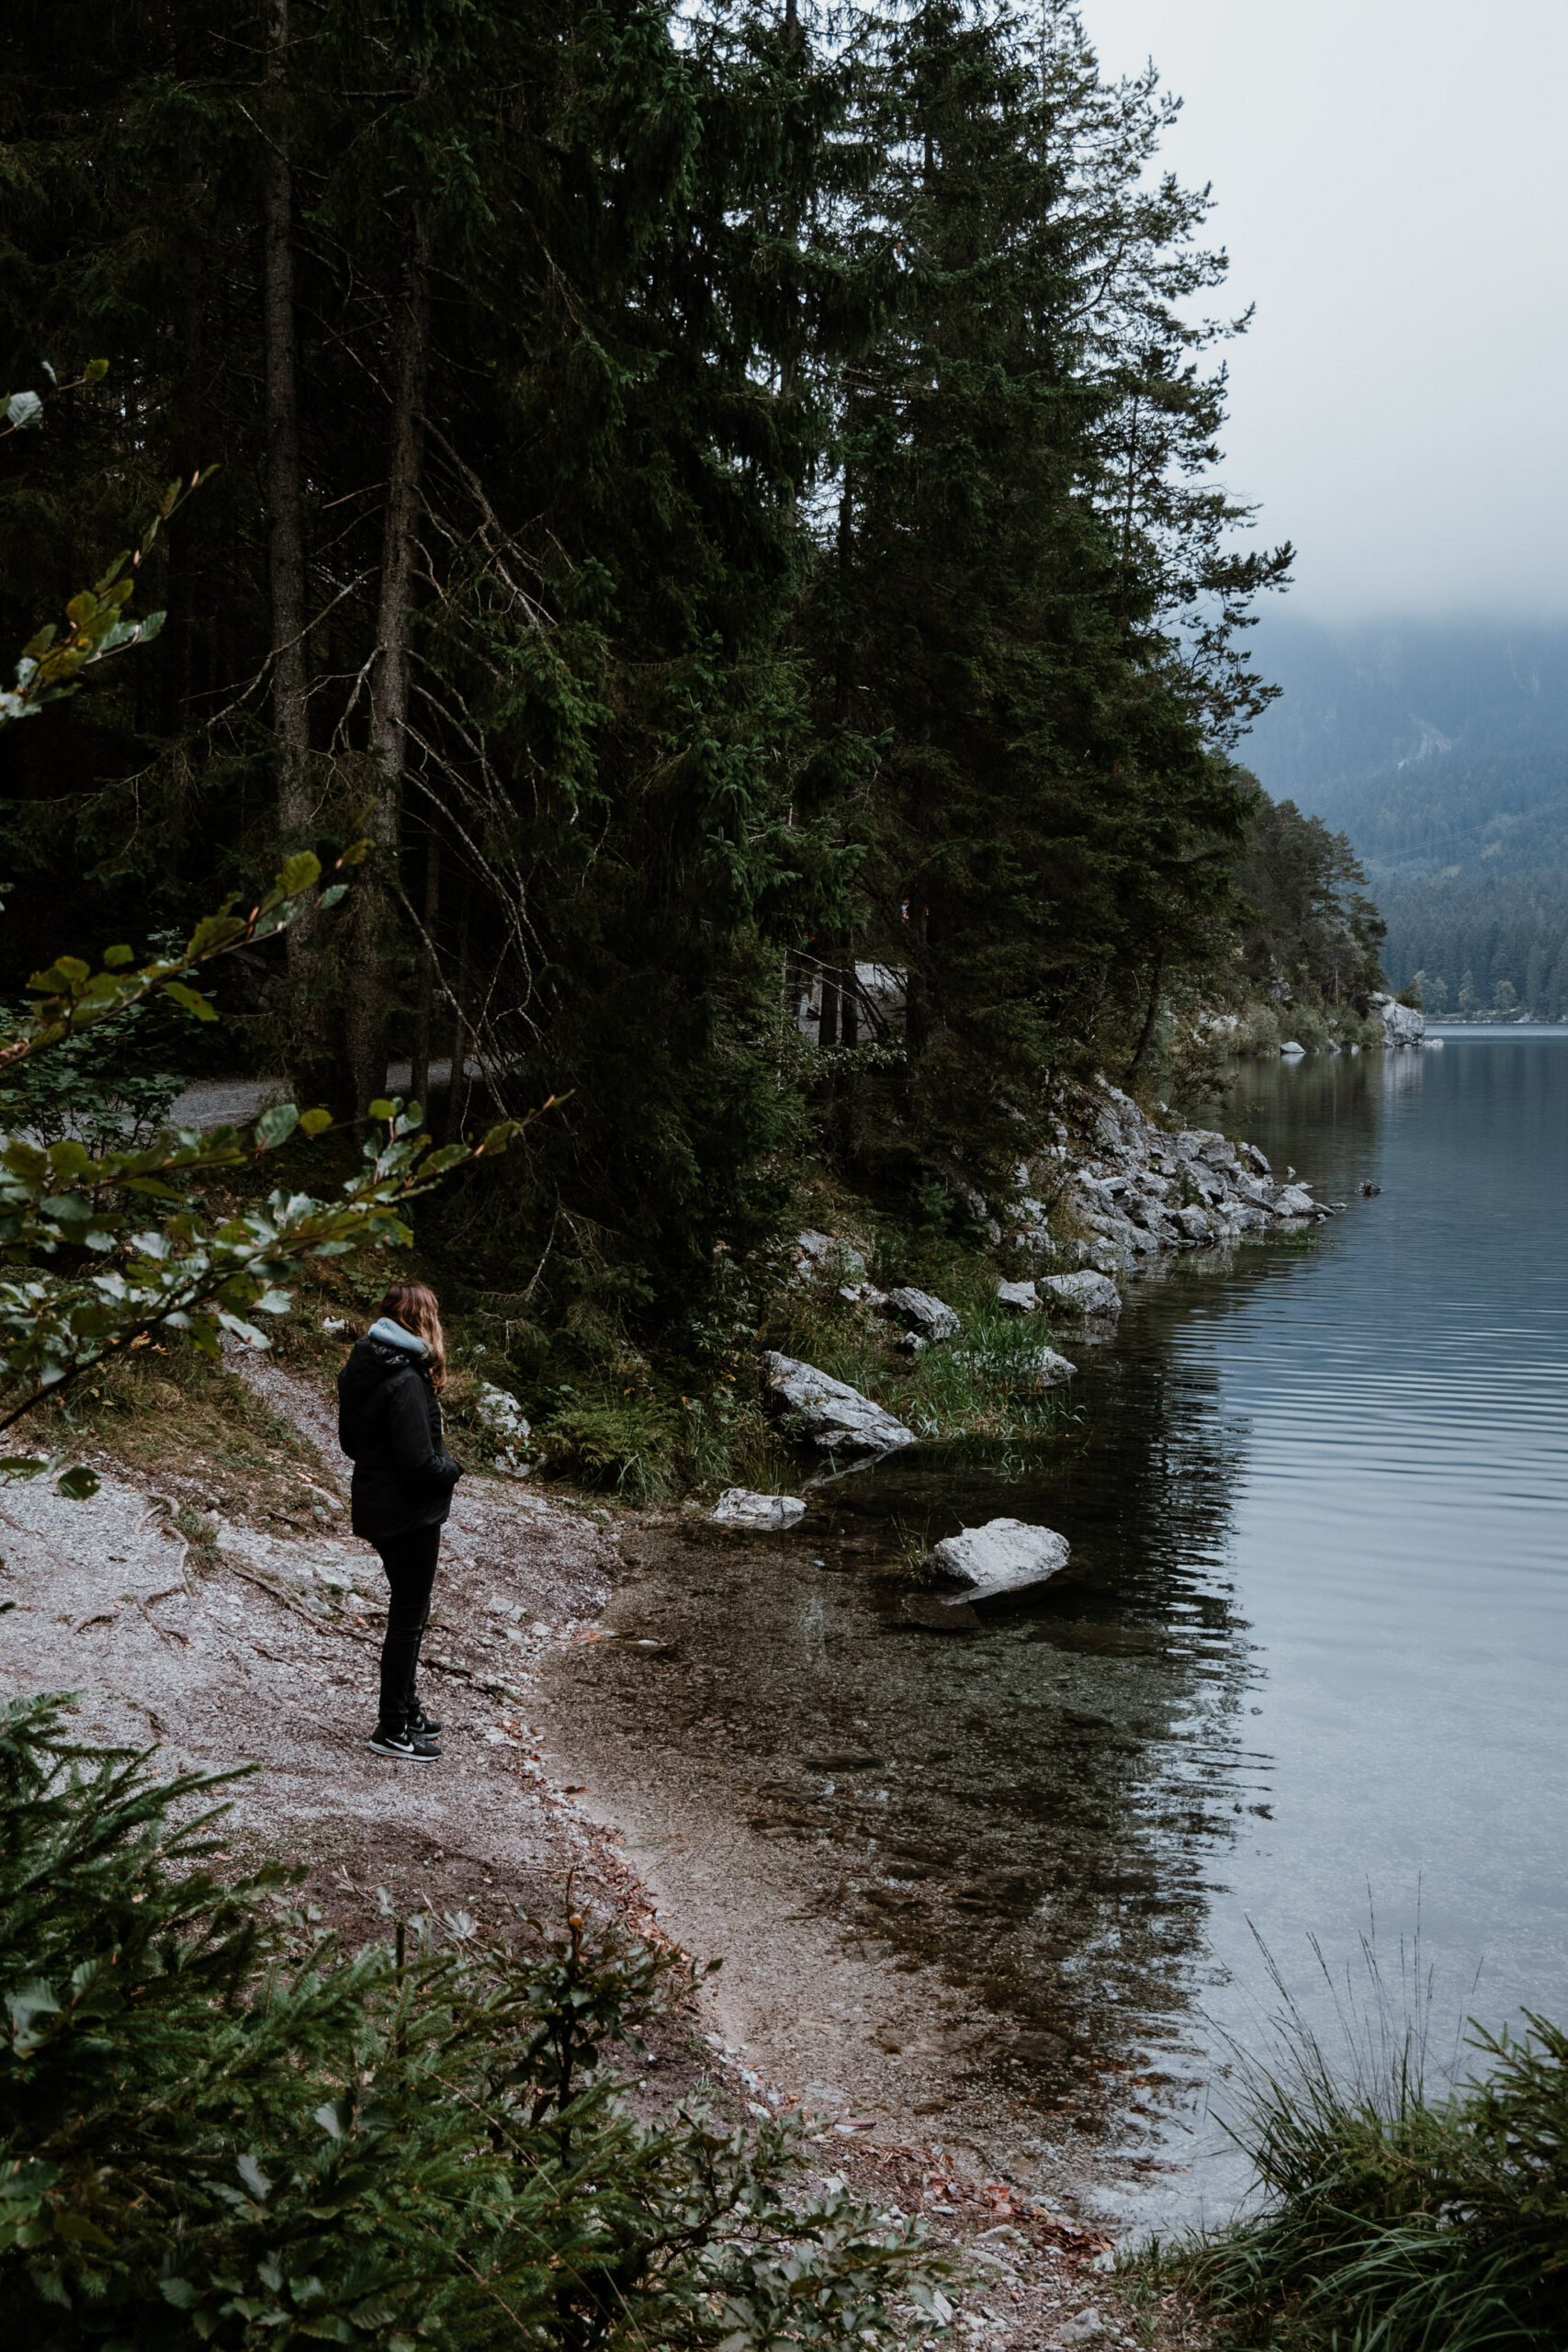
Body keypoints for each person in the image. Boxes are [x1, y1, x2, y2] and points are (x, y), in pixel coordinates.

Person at [337, 1281, 462, 1760]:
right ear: (424, 1320)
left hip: (378, 1502)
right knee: (409, 1617)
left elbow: (350, 1444)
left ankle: (407, 1708)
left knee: (411, 1611)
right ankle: (391, 1728)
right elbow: (421, 1466)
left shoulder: (364, 1364)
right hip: (407, 1512)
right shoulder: (406, 1379)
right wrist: (454, 1470)